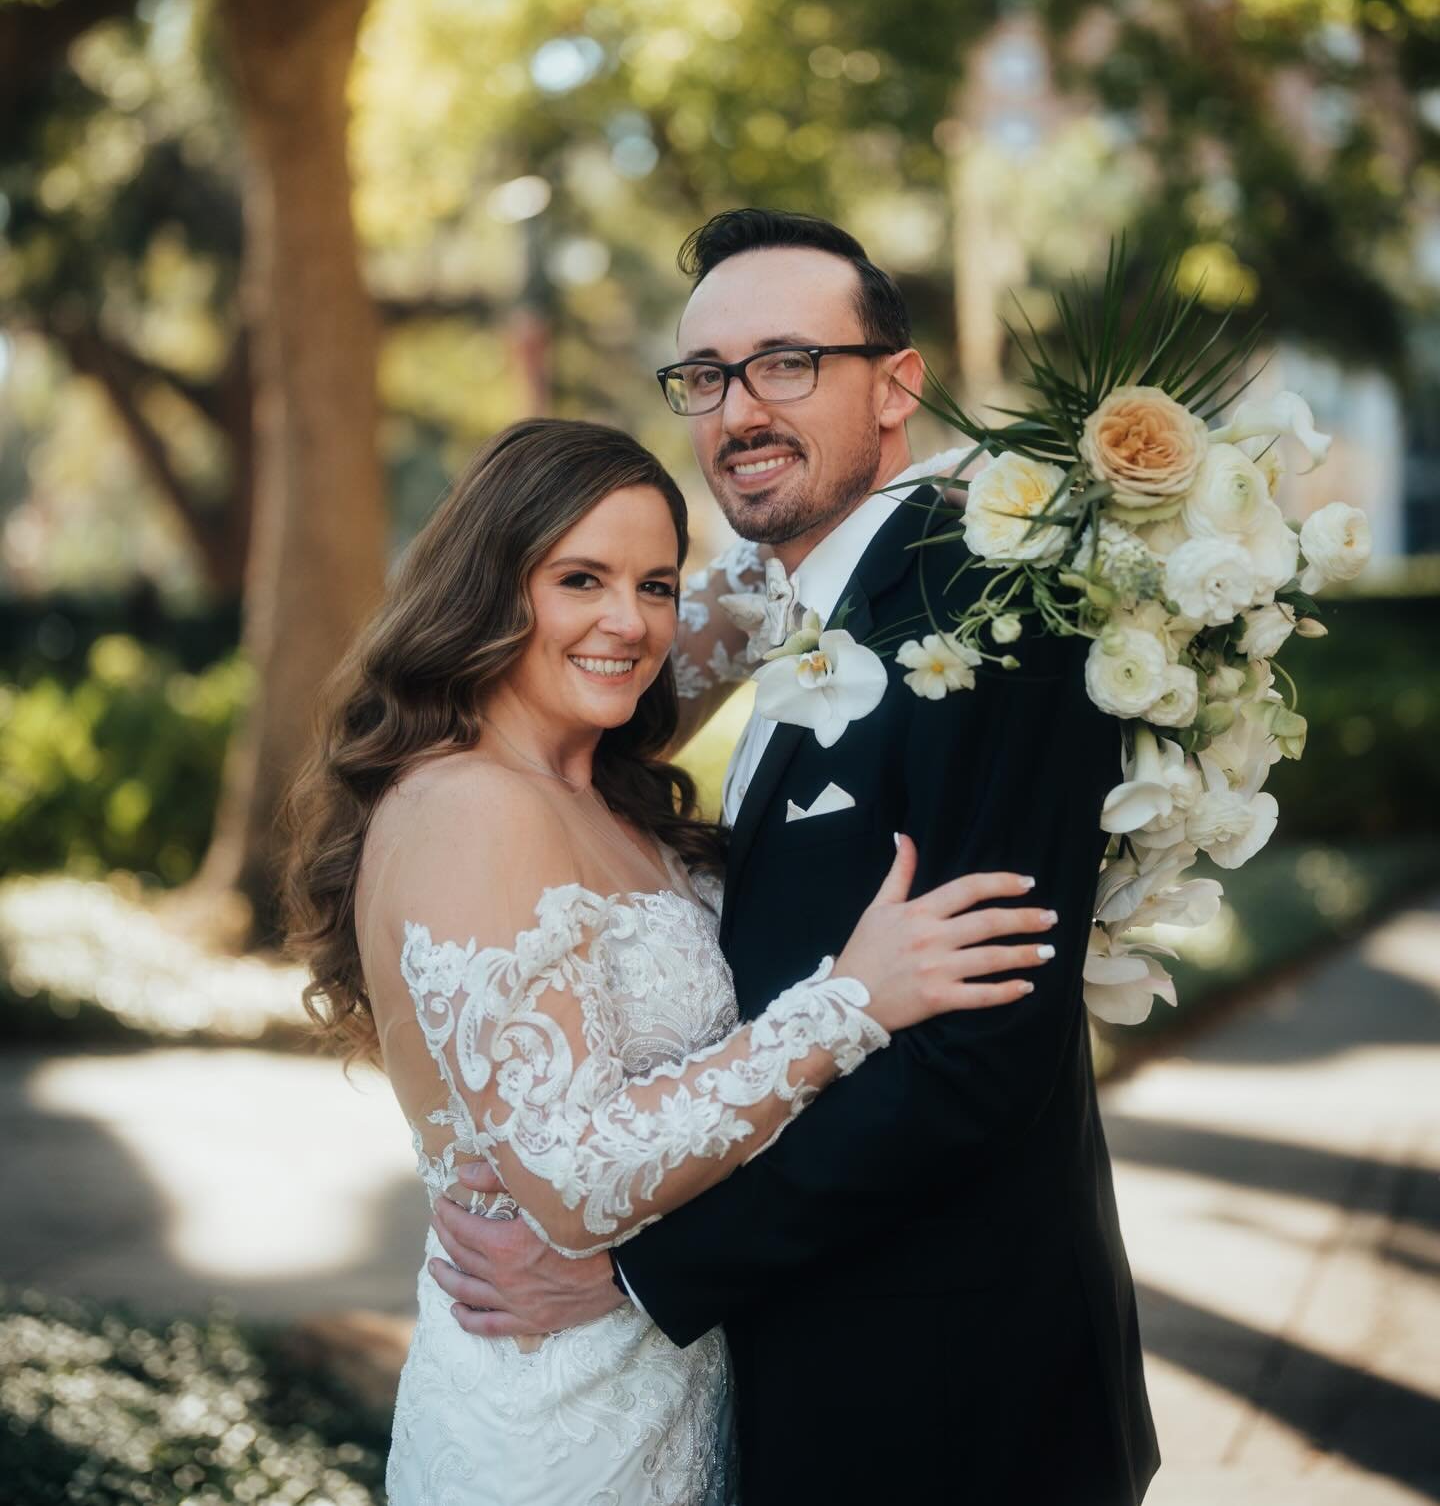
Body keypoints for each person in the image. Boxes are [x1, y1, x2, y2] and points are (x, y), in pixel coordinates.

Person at [432, 210, 1161, 1505]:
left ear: (897, 383)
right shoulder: (804, 607)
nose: (738, 408)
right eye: (705, 375)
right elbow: (564, 688)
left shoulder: (990, 607)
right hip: (807, 1372)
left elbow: (978, 1058)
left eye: (786, 360)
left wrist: (642, 1272)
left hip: (954, 1395)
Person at [285, 414, 1059, 1506]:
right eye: (580, 578)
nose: (629, 621)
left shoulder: (596, 778)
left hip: (676, 1375)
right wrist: (848, 1001)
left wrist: (1004, 463)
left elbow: (762, 572)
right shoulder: (471, 807)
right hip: (552, 1427)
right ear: (490, 589)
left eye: (656, 584)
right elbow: (573, 1182)